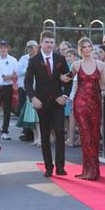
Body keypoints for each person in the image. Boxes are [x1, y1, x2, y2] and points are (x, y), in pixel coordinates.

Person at [24, 31, 73, 178]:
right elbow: (27, 82)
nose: (49, 45)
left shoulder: (60, 58)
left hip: (58, 102)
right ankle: (48, 167)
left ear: (54, 44)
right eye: (46, 42)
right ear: (41, 43)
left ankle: (60, 167)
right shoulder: (34, 60)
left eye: (52, 42)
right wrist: (33, 98)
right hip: (42, 103)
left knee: (59, 132)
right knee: (45, 135)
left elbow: (69, 78)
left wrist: (65, 96)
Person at [64, 37, 105, 180]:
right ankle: (88, 170)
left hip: (95, 104)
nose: (87, 49)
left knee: (94, 136)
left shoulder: (100, 65)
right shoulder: (75, 65)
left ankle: (94, 170)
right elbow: (67, 80)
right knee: (85, 136)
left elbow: (103, 86)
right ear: (80, 50)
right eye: (84, 47)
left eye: (89, 46)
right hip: (80, 104)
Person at [17, 40, 39, 142]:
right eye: (29, 47)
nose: (30, 49)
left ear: (37, 47)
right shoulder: (23, 58)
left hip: (36, 89)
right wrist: (29, 69)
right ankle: (26, 132)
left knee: (36, 113)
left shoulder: (40, 58)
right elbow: (18, 71)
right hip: (23, 89)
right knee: (24, 111)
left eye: (32, 47)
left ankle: (35, 136)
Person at [65, 48, 79, 147]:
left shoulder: (77, 65)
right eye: (67, 56)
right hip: (72, 94)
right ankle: (71, 139)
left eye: (70, 56)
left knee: (75, 119)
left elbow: (71, 79)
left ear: (75, 56)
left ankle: (72, 140)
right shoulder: (72, 66)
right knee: (72, 118)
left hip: (76, 95)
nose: (68, 58)